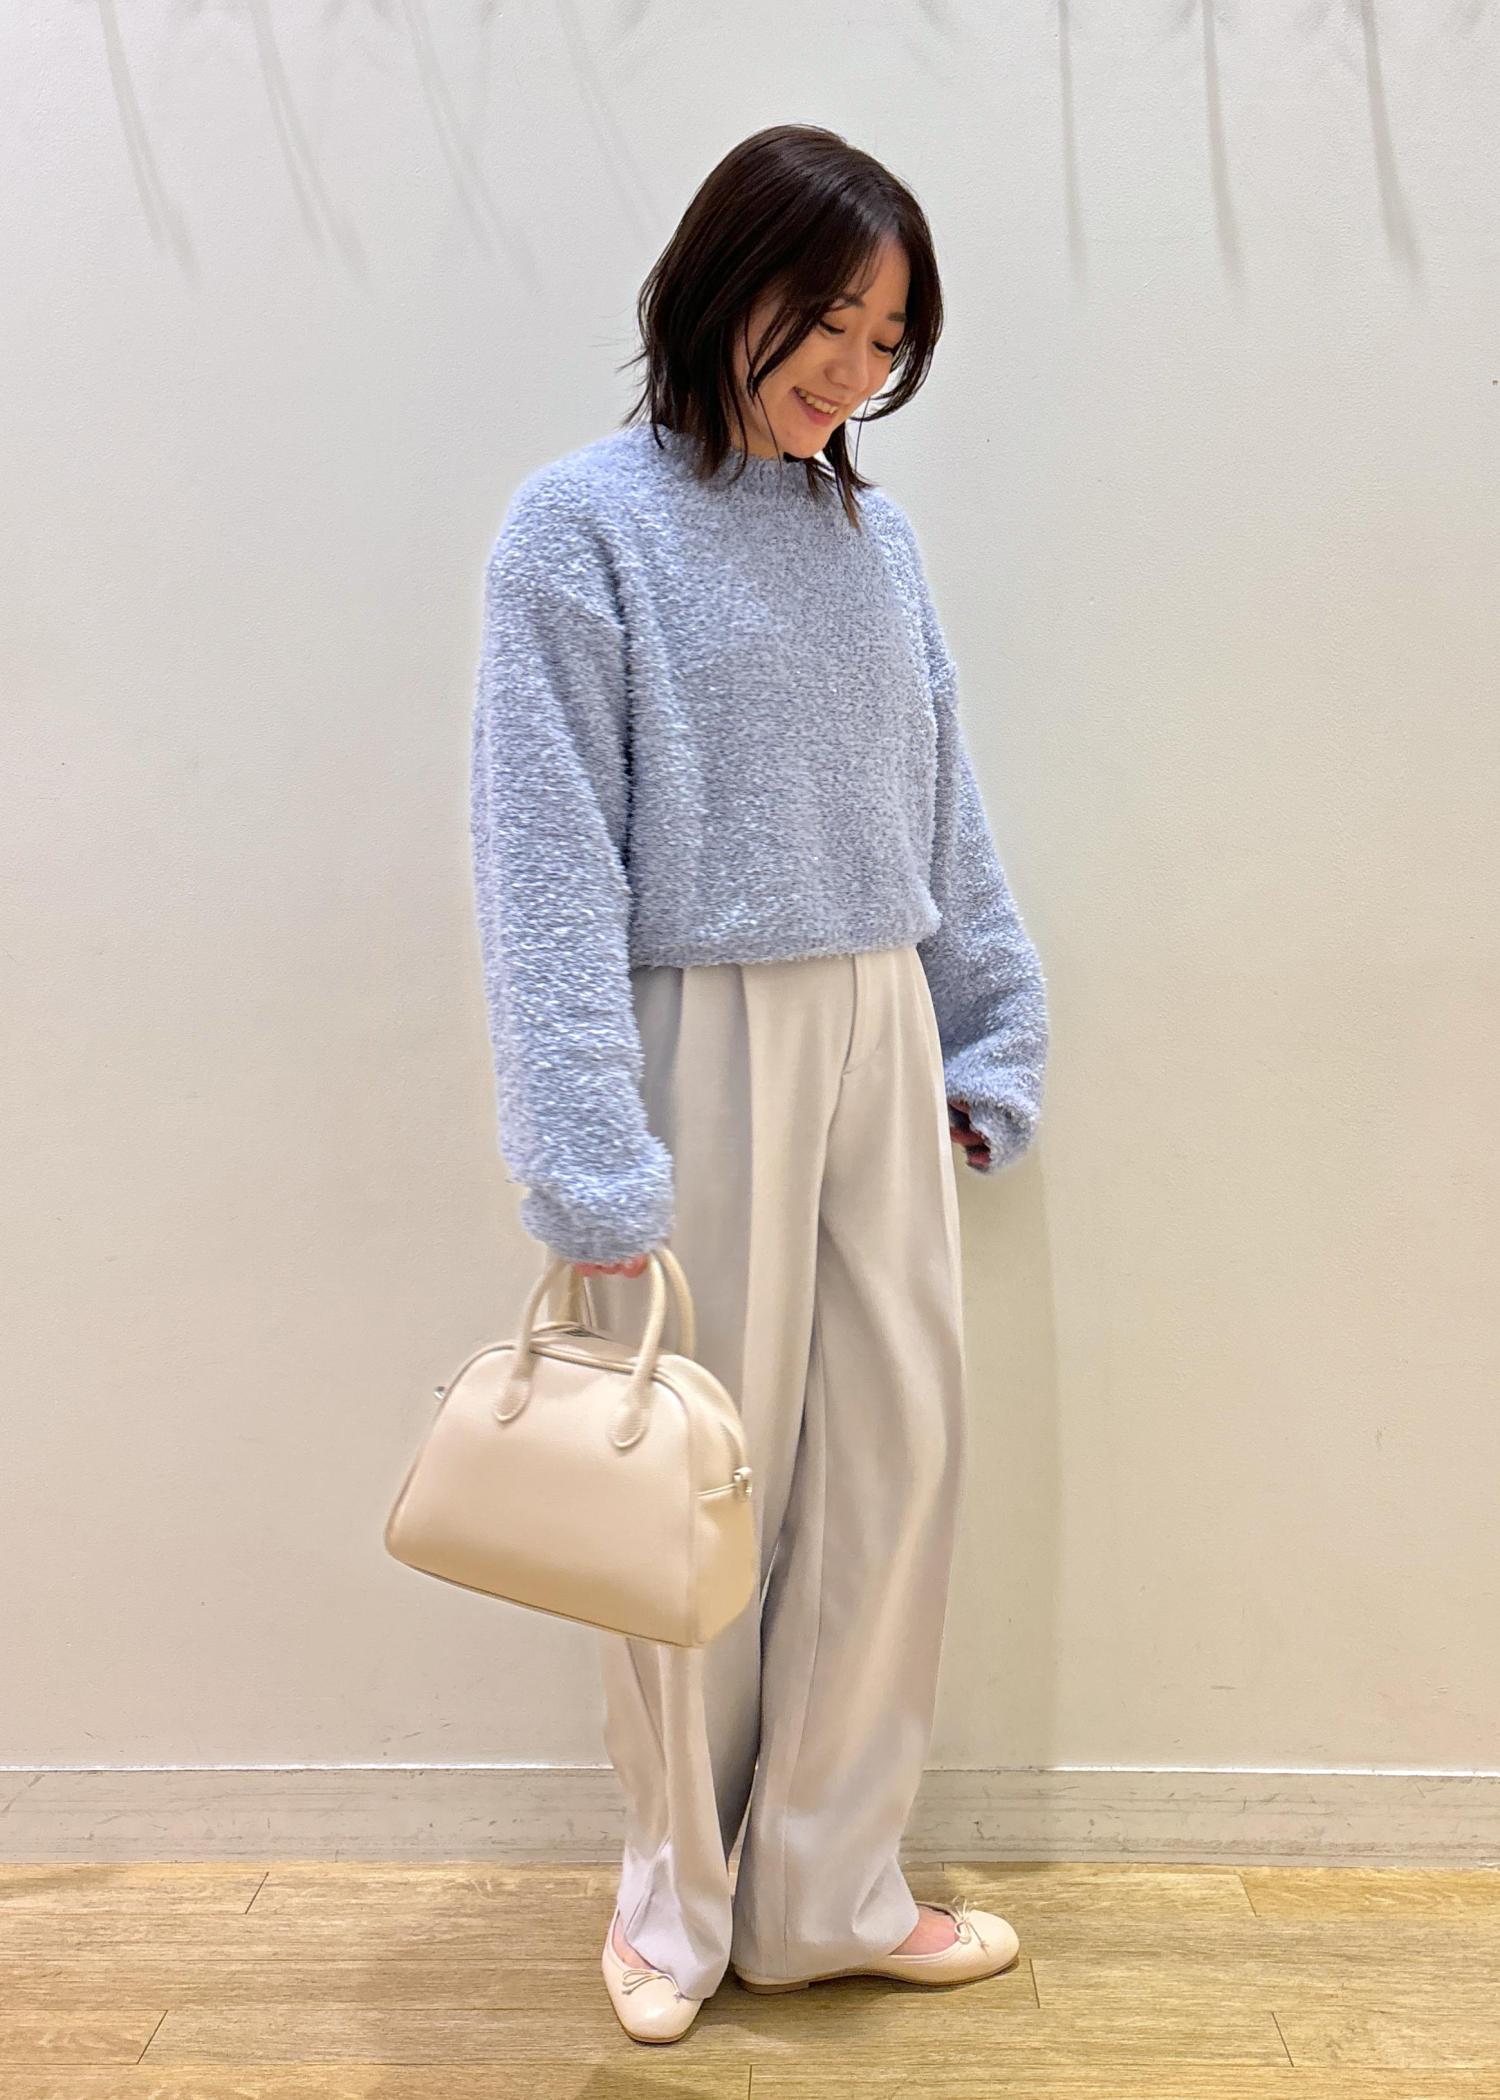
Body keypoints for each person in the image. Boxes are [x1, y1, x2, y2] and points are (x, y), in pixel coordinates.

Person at [468, 123, 1049, 2045]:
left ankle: (827, 1891)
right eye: (829, 322)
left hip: (883, 1022)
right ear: (726, 286)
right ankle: (676, 1901)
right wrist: (588, 1164)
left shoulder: (874, 542)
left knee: (897, 1462)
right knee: (687, 1485)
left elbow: (941, 805)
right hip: (697, 1031)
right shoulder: (581, 526)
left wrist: (989, 1031)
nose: (853, 370)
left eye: (889, 342)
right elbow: (545, 862)